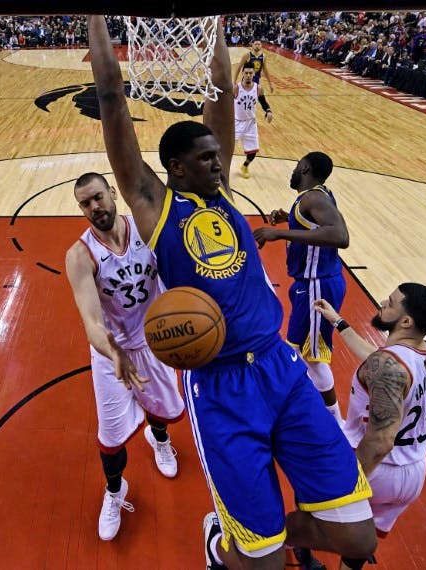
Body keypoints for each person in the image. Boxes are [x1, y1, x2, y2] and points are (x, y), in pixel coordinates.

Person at [88, 15, 376, 570]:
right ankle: (227, 542)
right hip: (220, 382)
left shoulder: (222, 196)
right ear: (175, 167)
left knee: (359, 540)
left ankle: (262, 534)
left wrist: (215, 22)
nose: (218, 162)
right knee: (260, 565)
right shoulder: (155, 207)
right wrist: (98, 20)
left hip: (279, 364)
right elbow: (110, 99)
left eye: (218, 154)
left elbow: (218, 85)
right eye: (205, 158)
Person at [65, 172, 185, 542]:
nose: (94, 207)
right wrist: (114, 351)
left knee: (163, 410)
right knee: (111, 436)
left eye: (98, 197)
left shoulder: (146, 231)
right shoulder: (80, 255)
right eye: (85, 203)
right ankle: (115, 492)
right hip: (111, 354)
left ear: (112, 192)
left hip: (154, 341)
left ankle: (159, 440)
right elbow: (91, 320)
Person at [314, 283, 426, 570]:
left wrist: (350, 483)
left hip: (377, 468)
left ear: (406, 321)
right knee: (362, 540)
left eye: (391, 302)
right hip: (413, 472)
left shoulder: (388, 365)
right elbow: (376, 360)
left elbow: (379, 442)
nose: (383, 303)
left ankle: (289, 552)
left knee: (310, 515)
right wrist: (338, 322)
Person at [253, 151, 348, 427]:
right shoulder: (314, 196)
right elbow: (316, 225)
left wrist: (280, 233)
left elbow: (340, 236)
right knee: (303, 350)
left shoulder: (313, 197)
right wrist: (288, 219)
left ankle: (335, 421)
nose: (292, 171)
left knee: (313, 357)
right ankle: (311, 409)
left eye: (296, 166)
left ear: (304, 167)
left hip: (317, 285)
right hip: (312, 284)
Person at [234, 61, 273, 179]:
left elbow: (263, 103)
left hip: (251, 122)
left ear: (254, 73)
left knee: (253, 151)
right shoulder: (236, 88)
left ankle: (245, 166)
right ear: (243, 73)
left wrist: (268, 111)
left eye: (251, 73)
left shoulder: (258, 88)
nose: (248, 75)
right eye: (246, 73)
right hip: (236, 122)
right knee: (227, 148)